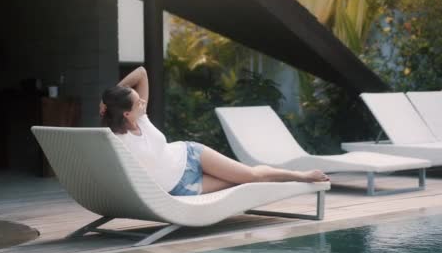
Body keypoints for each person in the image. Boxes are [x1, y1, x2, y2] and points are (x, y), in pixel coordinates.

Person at [100, 66, 329, 196]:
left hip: (190, 154)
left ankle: (302, 176)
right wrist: (111, 106)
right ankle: (289, 179)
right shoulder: (119, 141)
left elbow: (141, 73)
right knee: (246, 181)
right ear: (126, 114)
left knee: (250, 175)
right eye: (137, 102)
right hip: (180, 186)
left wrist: (110, 97)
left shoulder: (141, 117)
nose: (143, 101)